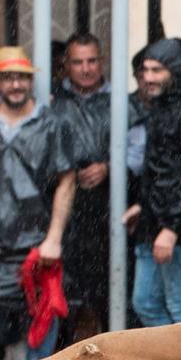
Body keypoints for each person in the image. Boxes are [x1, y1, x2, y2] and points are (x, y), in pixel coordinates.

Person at [0, 46, 75, 360]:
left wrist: (53, 238)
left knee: (41, 322)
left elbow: (67, 180)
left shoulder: (52, 124)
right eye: (8, 78)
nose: (15, 85)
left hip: (35, 244)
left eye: (22, 79)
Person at [118, 39, 181, 326]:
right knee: (145, 302)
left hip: (178, 227)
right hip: (152, 220)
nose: (148, 77)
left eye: (157, 70)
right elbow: (158, 170)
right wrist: (144, 207)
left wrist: (171, 229)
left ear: (174, 71)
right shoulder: (161, 107)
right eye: (145, 69)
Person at [52, 33, 115, 340]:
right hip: (65, 213)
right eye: (78, 62)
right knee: (65, 297)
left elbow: (140, 151)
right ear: (66, 66)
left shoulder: (120, 102)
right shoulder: (52, 103)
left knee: (111, 292)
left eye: (92, 61)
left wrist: (111, 168)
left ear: (101, 62)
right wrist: (65, 171)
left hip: (111, 210)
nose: (86, 69)